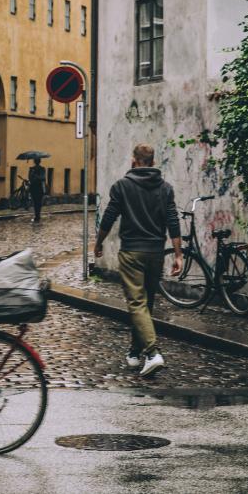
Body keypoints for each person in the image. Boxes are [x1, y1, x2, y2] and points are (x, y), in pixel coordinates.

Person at [94, 143, 182, 378]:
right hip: (155, 253)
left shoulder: (122, 186)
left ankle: (152, 353)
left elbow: (109, 217)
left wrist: (98, 242)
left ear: (134, 161)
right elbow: (173, 221)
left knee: (136, 303)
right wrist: (178, 254)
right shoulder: (165, 188)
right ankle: (135, 352)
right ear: (152, 162)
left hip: (132, 252)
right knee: (146, 303)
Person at [28, 157, 47, 223]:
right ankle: (37, 215)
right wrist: (33, 175)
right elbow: (30, 178)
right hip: (35, 187)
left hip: (38, 187)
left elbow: (43, 177)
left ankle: (37, 216)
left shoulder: (42, 169)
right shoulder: (32, 169)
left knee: (37, 202)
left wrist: (35, 176)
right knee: (36, 202)